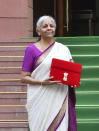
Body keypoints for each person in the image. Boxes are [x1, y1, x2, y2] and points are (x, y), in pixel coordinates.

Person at [21, 15, 77, 131]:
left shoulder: (63, 49)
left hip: (59, 97)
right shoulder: (31, 49)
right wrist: (42, 82)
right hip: (39, 97)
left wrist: (74, 79)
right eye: (45, 26)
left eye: (51, 26)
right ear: (38, 31)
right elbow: (24, 77)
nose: (49, 28)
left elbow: (72, 71)